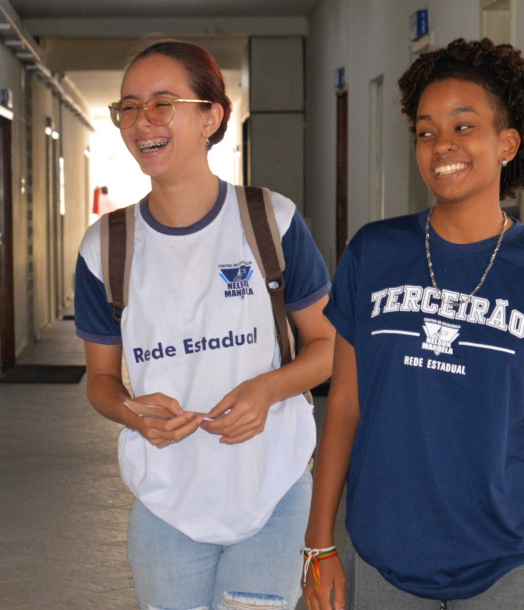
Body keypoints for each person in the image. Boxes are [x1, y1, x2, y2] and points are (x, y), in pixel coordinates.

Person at [302, 38, 524, 609]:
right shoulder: (374, 253)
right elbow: (342, 405)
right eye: (426, 130)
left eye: (464, 127)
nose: (442, 145)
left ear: (506, 143)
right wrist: (320, 543)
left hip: (507, 557)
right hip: (385, 551)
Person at [74, 40, 335, 609]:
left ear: (210, 116)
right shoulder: (106, 247)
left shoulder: (271, 221)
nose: (142, 121)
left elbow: (327, 346)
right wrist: (131, 413)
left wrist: (268, 389)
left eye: (163, 103)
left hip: (273, 491)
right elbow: (101, 380)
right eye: (128, 107)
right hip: (167, 499)